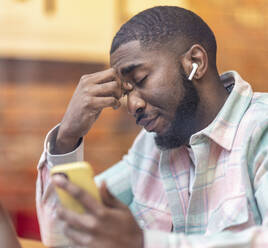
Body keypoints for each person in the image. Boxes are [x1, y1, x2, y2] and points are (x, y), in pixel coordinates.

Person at [36, 6, 268, 248]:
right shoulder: (152, 145)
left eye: (140, 80)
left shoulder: (260, 128)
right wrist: (66, 138)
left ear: (195, 62)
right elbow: (62, 236)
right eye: (127, 91)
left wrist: (143, 242)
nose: (132, 105)